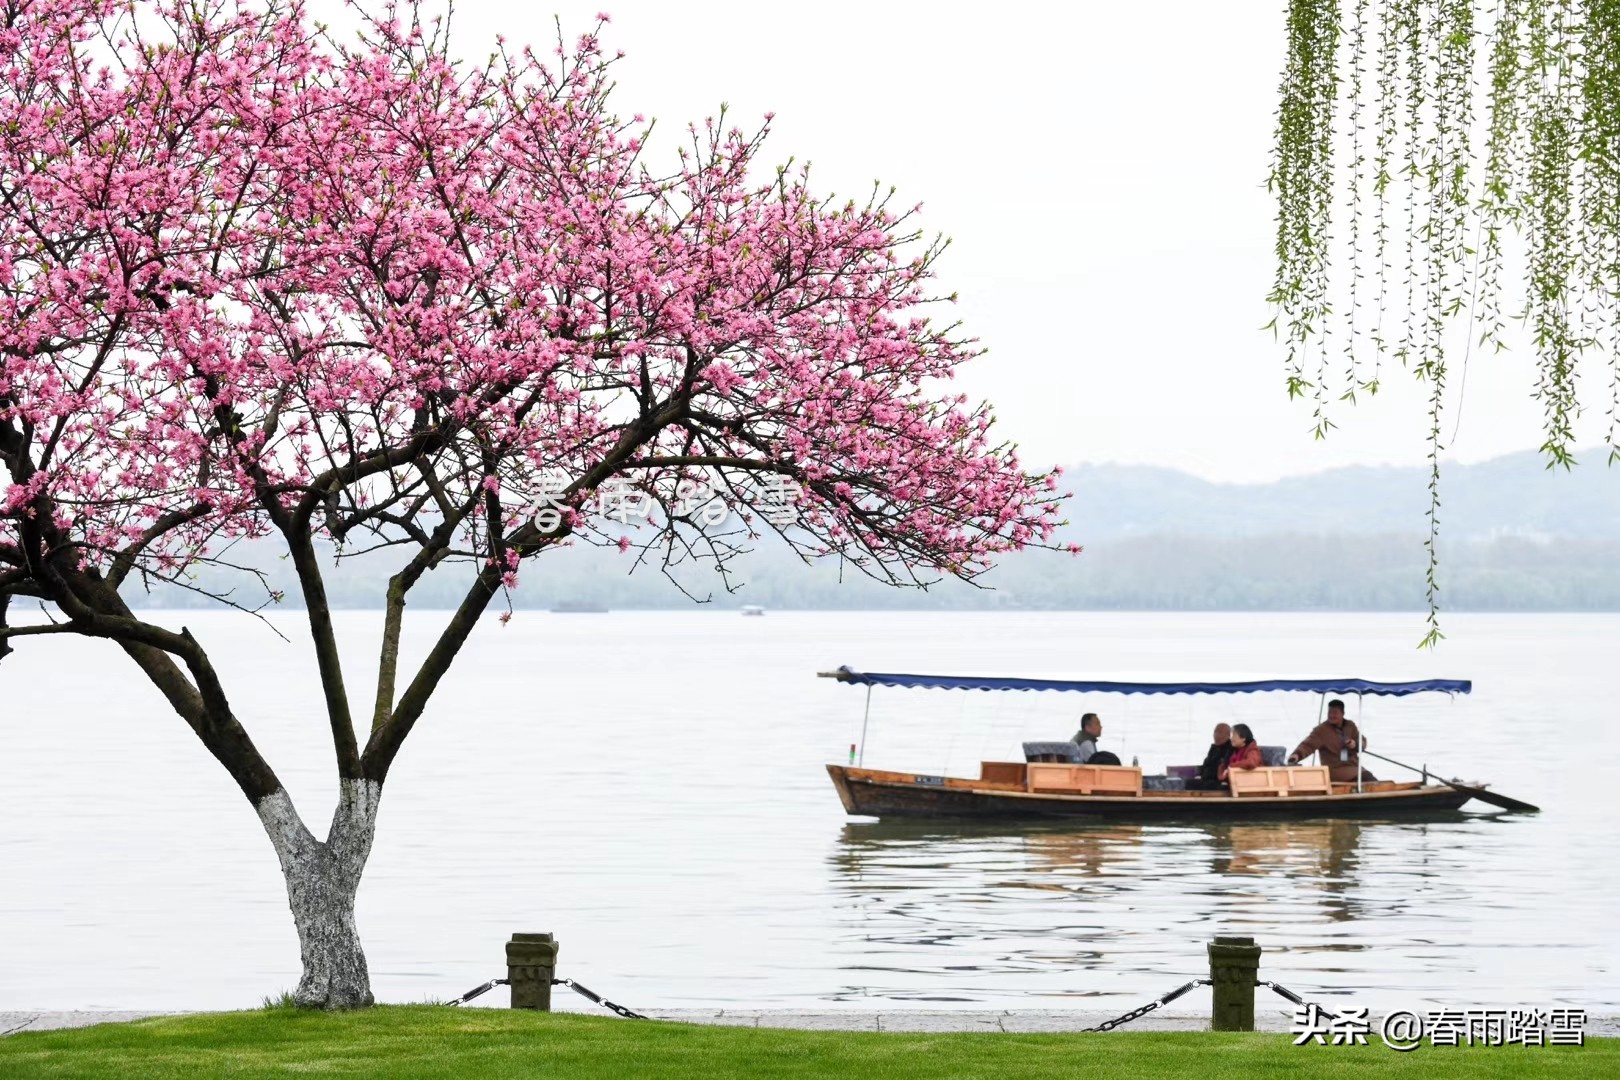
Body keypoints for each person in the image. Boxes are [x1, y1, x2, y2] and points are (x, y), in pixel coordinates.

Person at [1287, 699, 1376, 783]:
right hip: (1335, 770)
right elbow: (1307, 745)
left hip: (1354, 767)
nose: (1331, 715)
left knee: (1370, 778)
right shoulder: (1321, 730)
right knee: (1367, 777)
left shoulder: (1350, 725)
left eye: (1335, 713)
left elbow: (1362, 741)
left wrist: (1355, 744)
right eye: (1329, 712)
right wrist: (1297, 755)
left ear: (1343, 713)